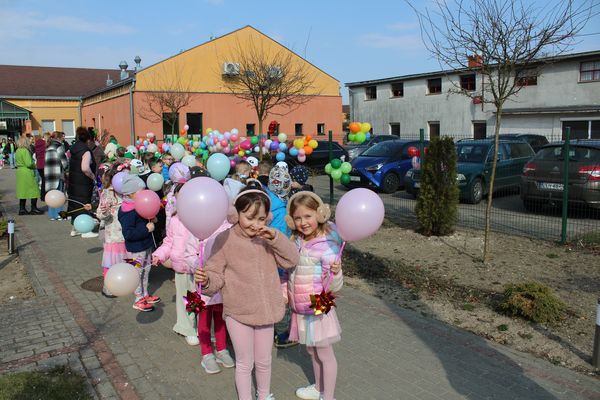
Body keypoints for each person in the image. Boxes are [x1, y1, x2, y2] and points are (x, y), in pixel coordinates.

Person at [195, 181, 299, 400]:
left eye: (261, 218)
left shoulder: (268, 237)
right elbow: (216, 275)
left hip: (266, 311)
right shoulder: (225, 239)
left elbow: (291, 260)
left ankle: (264, 394)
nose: (255, 224)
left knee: (264, 360)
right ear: (237, 214)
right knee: (245, 362)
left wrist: (275, 238)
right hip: (238, 313)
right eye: (250, 217)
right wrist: (206, 280)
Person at [284, 192, 343, 400]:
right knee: (311, 350)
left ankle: (329, 396)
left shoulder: (327, 245)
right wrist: (285, 293)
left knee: (324, 352)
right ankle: (318, 388)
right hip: (301, 306)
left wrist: (336, 272)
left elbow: (334, 287)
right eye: (297, 218)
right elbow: (289, 273)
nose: (303, 222)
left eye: (308, 216)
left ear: (319, 214)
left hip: (319, 306)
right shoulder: (296, 241)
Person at [118, 174, 161, 312]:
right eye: (140, 191)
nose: (144, 194)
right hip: (135, 249)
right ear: (130, 194)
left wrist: (152, 219)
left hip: (146, 245)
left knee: (146, 270)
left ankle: (145, 294)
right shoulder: (127, 211)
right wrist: (146, 229)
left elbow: (145, 217)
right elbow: (128, 234)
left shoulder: (139, 204)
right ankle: (138, 299)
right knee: (137, 273)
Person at [96, 163, 127, 298]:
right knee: (111, 262)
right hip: (114, 234)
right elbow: (100, 214)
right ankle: (109, 287)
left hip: (126, 232)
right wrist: (105, 212)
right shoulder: (107, 193)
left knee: (124, 261)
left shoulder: (128, 192)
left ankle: (124, 284)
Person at [68, 127, 97, 238]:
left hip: (74, 182)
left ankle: (74, 229)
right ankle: (85, 230)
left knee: (75, 204)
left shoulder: (74, 148)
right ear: (88, 140)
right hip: (83, 183)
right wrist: (92, 176)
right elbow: (85, 168)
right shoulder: (86, 151)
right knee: (84, 204)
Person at [44, 132, 69, 220]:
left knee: (51, 195)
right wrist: (67, 169)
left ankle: (52, 215)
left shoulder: (48, 147)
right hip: (57, 173)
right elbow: (64, 161)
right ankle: (59, 214)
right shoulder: (59, 146)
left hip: (49, 174)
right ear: (58, 138)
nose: (63, 139)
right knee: (59, 195)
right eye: (62, 137)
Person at [15, 136, 42, 215]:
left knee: (22, 190)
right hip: (27, 171)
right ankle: (34, 208)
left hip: (20, 171)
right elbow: (29, 163)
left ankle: (22, 209)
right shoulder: (25, 150)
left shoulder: (18, 150)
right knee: (34, 190)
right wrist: (35, 165)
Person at [34, 132, 47, 200]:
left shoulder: (36, 145)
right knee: (46, 181)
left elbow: (36, 155)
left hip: (39, 165)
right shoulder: (45, 144)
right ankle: (44, 196)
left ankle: (42, 195)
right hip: (44, 164)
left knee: (43, 180)